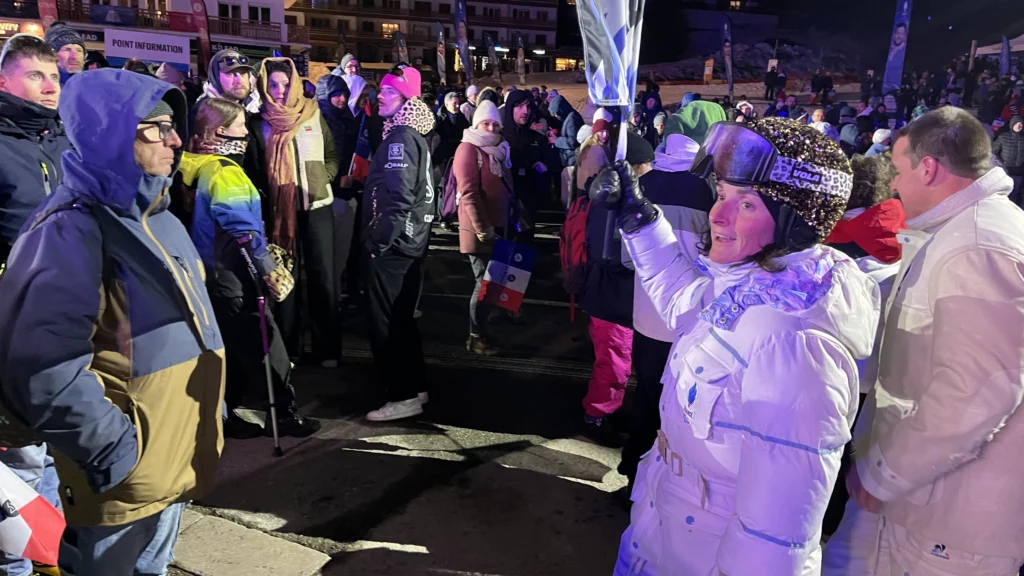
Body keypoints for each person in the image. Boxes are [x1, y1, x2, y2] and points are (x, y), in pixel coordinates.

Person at [597, 117, 877, 575]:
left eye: (745, 204)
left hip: (704, 556)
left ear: (794, 223)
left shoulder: (795, 342)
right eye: (723, 194)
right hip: (664, 527)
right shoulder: (755, 284)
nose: (718, 214)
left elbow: (777, 531)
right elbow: (682, 302)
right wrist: (640, 218)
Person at [0, 68, 225, 576]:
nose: (174, 140)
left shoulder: (159, 214)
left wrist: (211, 407)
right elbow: (43, 368)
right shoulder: (72, 229)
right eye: (156, 127)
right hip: (127, 471)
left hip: (174, 452)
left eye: (173, 125)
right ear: (111, 134)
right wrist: (115, 451)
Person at [823, 107, 1024, 576]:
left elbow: (978, 391)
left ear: (928, 167)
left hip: (945, 517)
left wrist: (884, 473)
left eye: (898, 169)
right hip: (918, 499)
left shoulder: (978, 245)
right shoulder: (964, 231)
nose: (891, 185)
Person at [183, 97, 320, 439]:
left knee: (227, 344)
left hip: (210, 269)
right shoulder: (224, 171)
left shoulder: (193, 165)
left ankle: (226, 414)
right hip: (233, 271)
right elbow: (243, 231)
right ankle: (284, 413)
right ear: (219, 131)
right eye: (240, 126)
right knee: (263, 341)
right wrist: (268, 270)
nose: (246, 133)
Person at [0, 33, 70, 576]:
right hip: (11, 314)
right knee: (19, 452)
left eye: (54, 77)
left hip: (61, 312)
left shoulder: (62, 140)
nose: (49, 87)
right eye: (35, 76)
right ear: (4, 80)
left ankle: (46, 554)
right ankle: (18, 563)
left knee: (47, 448)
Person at [616, 132, 712, 487]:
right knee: (686, 406)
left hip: (648, 316)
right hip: (693, 319)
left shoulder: (644, 187)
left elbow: (629, 259)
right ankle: (672, 480)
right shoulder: (708, 191)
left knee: (646, 396)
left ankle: (632, 474)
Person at [820, 152, 904, 536]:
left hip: (840, 368)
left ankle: (828, 518)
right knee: (865, 452)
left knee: (831, 450)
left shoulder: (831, 241)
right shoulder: (912, 236)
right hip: (888, 371)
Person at [253, 57, 340, 366]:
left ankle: (327, 348)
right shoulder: (259, 121)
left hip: (317, 205)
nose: (279, 90)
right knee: (284, 277)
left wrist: (323, 177)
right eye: (273, 84)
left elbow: (332, 154)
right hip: (279, 211)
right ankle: (289, 347)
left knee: (324, 278)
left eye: (286, 84)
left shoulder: (314, 114)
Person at [361, 64, 435, 422]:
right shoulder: (412, 134)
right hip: (411, 244)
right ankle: (415, 387)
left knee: (386, 322)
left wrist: (379, 241)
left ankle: (401, 394)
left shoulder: (401, 137)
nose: (381, 95)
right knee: (403, 319)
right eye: (382, 90)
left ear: (407, 98)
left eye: (390, 91)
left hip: (395, 248)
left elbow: (399, 197)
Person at [580, 132, 655, 447]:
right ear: (636, 167)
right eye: (648, 165)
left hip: (618, 298)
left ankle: (610, 409)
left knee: (619, 361)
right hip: (612, 298)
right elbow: (608, 252)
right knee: (613, 362)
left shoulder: (619, 195)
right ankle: (595, 417)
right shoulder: (610, 199)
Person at [454, 100, 512, 355]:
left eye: (494, 124)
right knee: (484, 282)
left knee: (495, 279)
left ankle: (487, 324)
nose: (490, 128)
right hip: (479, 228)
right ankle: (475, 335)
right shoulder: (468, 148)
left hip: (498, 224)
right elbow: (468, 192)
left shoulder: (498, 149)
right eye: (485, 123)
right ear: (476, 123)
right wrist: (482, 227)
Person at [316, 73, 362, 306]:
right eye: (336, 95)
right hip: (325, 196)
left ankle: (334, 295)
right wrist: (335, 181)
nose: (342, 99)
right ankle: (326, 300)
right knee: (326, 254)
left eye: (344, 95)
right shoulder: (317, 122)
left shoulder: (349, 120)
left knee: (341, 251)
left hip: (347, 193)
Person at [503, 89, 548, 243]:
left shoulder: (535, 138)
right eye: (520, 106)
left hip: (529, 202)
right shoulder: (500, 138)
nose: (525, 111)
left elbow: (546, 161)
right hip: (505, 202)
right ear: (510, 108)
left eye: (528, 106)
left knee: (525, 246)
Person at [992, 115, 1024, 203]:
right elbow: (993, 152)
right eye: (1017, 123)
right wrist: (1000, 165)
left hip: (1019, 173)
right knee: (1003, 194)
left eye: (1021, 124)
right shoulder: (1003, 137)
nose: (1019, 125)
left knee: (1015, 194)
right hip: (1005, 171)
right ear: (1012, 124)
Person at [435, 91, 470, 169]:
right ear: (447, 105)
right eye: (454, 103)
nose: (457, 106)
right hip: (443, 159)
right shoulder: (438, 120)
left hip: (459, 155)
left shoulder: (462, 118)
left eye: (458, 103)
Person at [549, 93, 584, 168]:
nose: (556, 116)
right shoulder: (569, 116)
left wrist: (556, 140)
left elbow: (573, 142)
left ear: (561, 109)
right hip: (569, 158)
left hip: (571, 159)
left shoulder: (572, 119)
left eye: (557, 113)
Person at [43, 21, 85, 85]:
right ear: (52, 55)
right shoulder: (39, 88)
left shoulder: (93, 86)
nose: (74, 57)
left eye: (79, 50)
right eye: (67, 50)